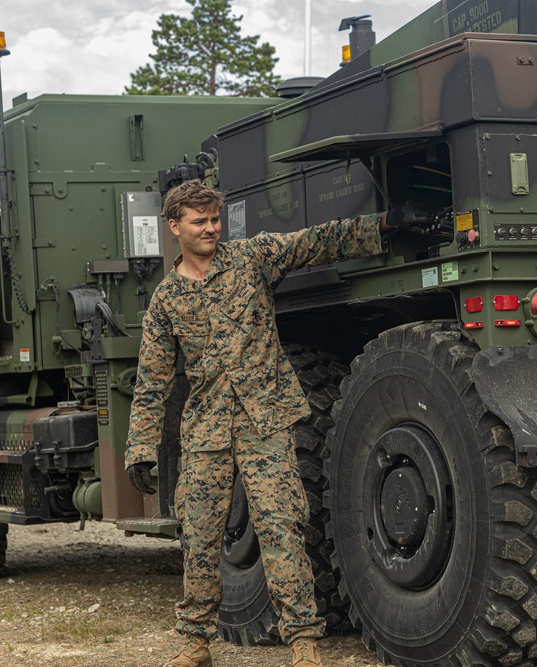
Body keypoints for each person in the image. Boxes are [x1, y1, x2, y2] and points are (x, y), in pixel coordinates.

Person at [124, 179, 426, 667]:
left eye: (215, 219)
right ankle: (196, 640)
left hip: (265, 419)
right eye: (199, 222)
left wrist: (384, 224)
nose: (210, 229)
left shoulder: (249, 259)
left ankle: (303, 640)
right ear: (174, 226)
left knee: (281, 526)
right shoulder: (166, 301)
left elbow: (317, 241)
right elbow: (152, 382)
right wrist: (140, 446)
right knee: (199, 535)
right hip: (206, 431)